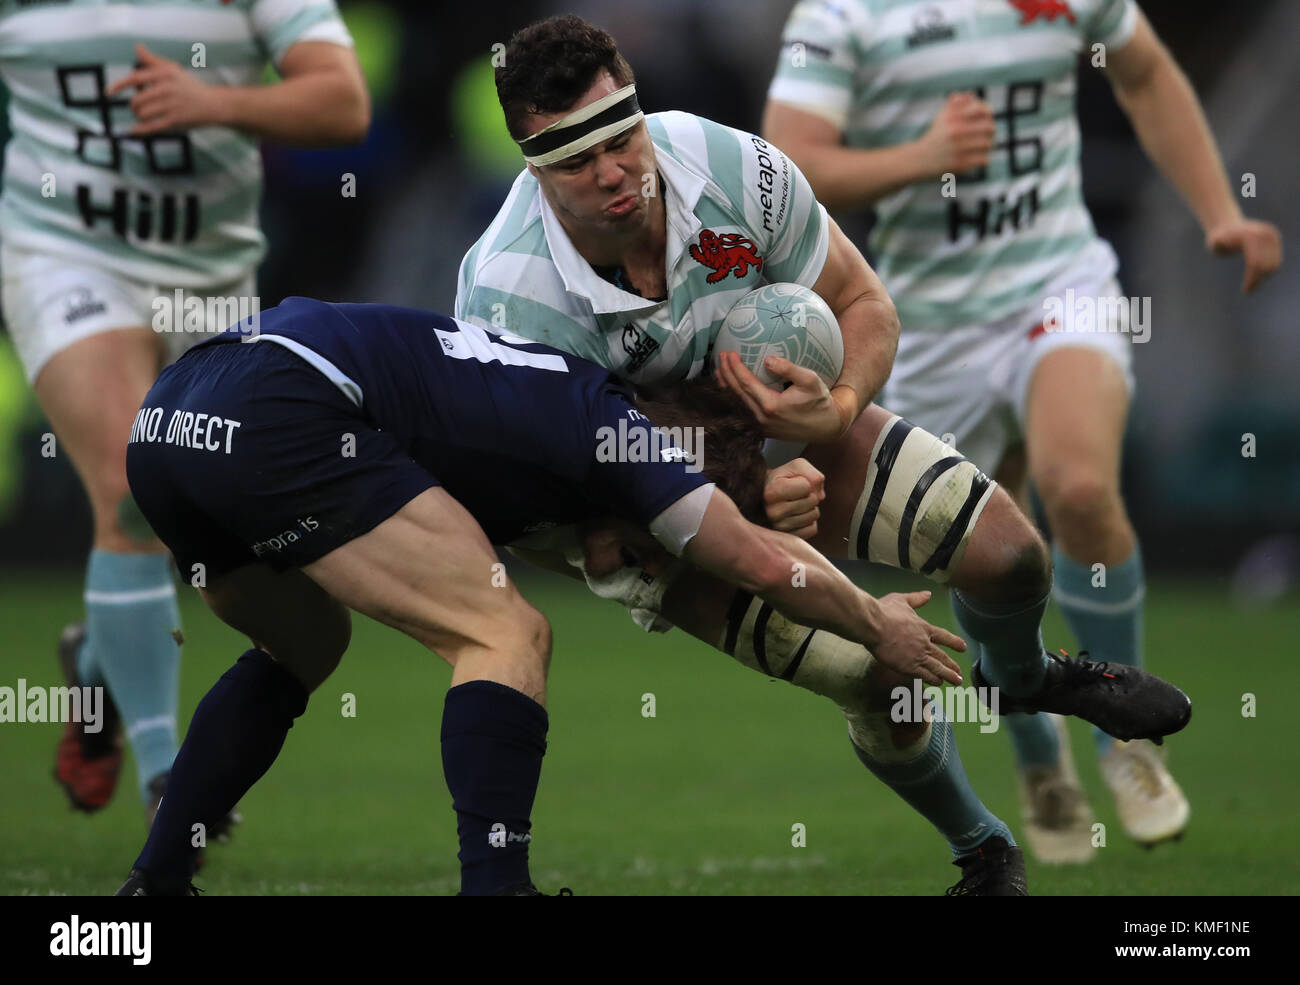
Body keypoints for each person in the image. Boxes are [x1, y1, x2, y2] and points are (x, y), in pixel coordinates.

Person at [454, 14, 1189, 882]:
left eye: (623, 137)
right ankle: (983, 847)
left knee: (1011, 555)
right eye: (578, 162)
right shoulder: (509, 302)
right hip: (644, 516)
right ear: (534, 168)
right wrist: (746, 494)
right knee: (881, 674)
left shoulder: (730, 166)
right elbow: (578, 513)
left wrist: (835, 412)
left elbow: (864, 304)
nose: (614, 171)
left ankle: (1021, 676)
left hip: (769, 432)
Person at [113, 296, 1009, 896]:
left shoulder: (556, 396)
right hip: (285, 405)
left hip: (171, 415)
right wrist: (874, 620)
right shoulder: (615, 430)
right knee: (504, 633)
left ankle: (153, 888)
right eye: (655, 536)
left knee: (303, 646)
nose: (640, 562)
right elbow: (763, 565)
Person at [762, 0, 1281, 860]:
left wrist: (1218, 208)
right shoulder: (843, 13)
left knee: (1079, 488)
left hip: (1058, 281)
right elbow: (786, 163)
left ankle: (1126, 742)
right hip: (926, 323)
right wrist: (923, 158)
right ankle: (1041, 751)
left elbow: (1144, 72)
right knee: (991, 545)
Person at [0, 0, 370, 822]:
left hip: (209, 281)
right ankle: (170, 777)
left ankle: (98, 666)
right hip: (63, 252)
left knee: (196, 516)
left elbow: (342, 99)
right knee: (130, 484)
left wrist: (218, 103)